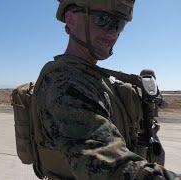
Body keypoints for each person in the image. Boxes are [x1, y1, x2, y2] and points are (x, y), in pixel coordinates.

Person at [31, 0, 180, 179]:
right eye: (103, 20)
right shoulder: (66, 82)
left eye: (120, 25)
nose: (112, 33)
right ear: (71, 20)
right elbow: (108, 166)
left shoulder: (92, 77)